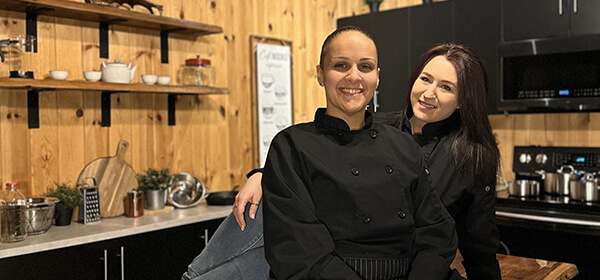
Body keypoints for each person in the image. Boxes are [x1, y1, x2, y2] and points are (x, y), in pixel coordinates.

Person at [182, 26, 458, 280]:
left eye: (365, 66)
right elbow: (299, 251)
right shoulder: (291, 145)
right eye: (341, 65)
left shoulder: (403, 145)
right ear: (320, 74)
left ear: (377, 76)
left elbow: (436, 232)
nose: (354, 76)